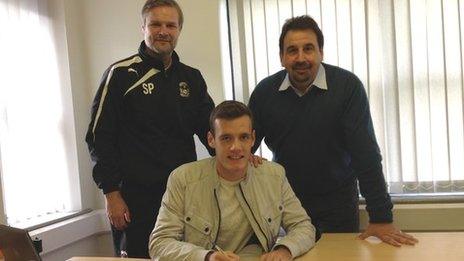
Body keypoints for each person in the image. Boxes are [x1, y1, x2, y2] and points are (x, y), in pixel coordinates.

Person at [248, 15, 418, 247]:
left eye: (308, 49)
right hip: (286, 204)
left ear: (321, 52)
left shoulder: (348, 88)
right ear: (281, 57)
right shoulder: (265, 92)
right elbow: (242, 144)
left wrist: (381, 217)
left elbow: (365, 154)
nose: (301, 58)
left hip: (338, 204)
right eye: (292, 50)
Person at [85, 0, 215, 257]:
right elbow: (99, 137)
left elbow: (211, 132)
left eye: (171, 25)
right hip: (134, 199)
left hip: (183, 197)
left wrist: (240, 157)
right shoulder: (120, 74)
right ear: (143, 27)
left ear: (179, 30)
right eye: (155, 24)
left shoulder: (192, 78)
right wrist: (111, 193)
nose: (163, 31)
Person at [149, 101, 315, 261]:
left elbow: (303, 226)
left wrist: (284, 250)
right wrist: (207, 257)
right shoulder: (183, 179)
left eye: (243, 137)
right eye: (226, 138)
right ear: (211, 140)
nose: (236, 147)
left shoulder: (274, 176)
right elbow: (159, 244)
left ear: (253, 139)